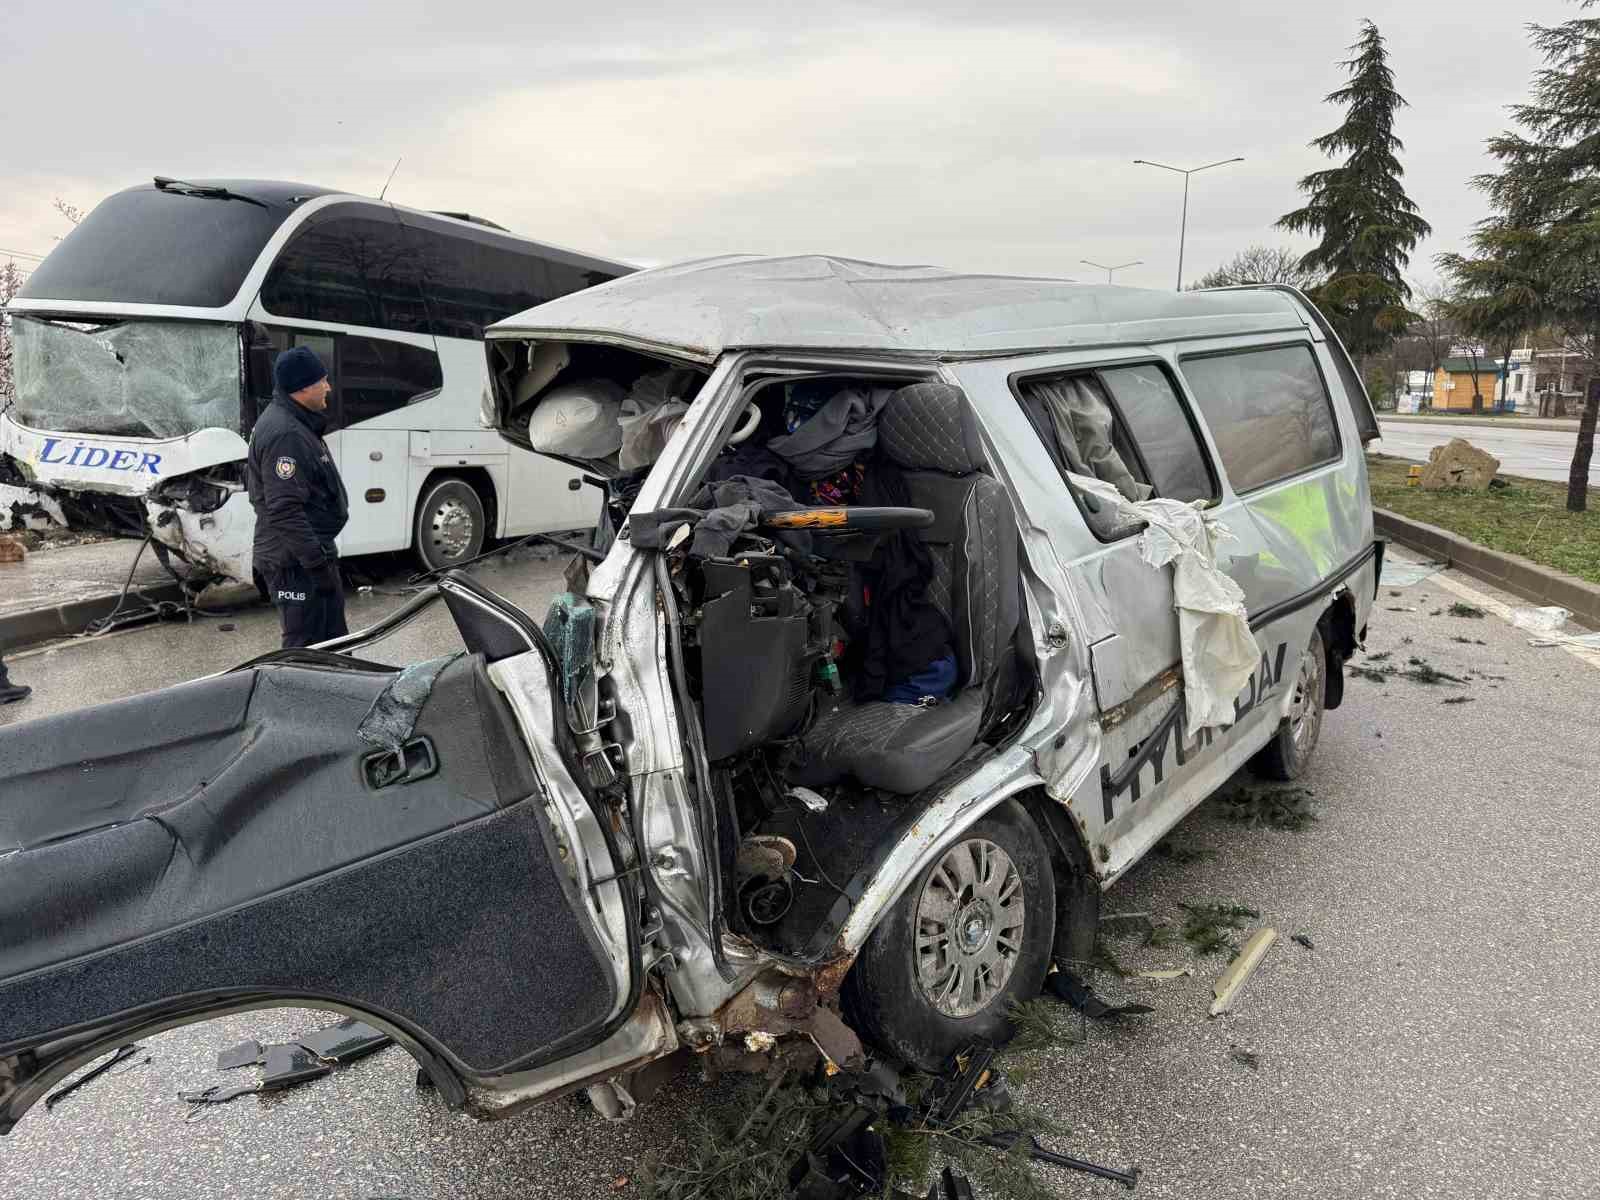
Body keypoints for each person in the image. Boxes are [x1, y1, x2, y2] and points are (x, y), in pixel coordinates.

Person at [246, 346, 350, 648]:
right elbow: (284, 509)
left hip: (301, 557)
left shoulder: (294, 423)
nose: (328, 387)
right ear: (303, 387)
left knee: (332, 645)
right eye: (323, 380)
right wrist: (317, 566)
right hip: (296, 564)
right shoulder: (286, 434)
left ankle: (334, 695)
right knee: (306, 649)